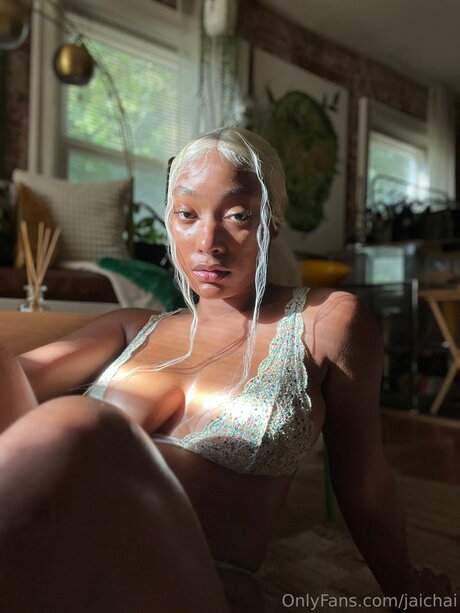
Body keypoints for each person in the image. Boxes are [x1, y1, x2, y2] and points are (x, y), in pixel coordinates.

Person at [0, 127, 453, 612]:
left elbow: (363, 481)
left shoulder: (327, 320)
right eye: (187, 215)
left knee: (84, 424)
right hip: (59, 557)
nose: (208, 242)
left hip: (191, 582)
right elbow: (15, 381)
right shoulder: (130, 326)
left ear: (272, 221)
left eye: (237, 215)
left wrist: (407, 588)